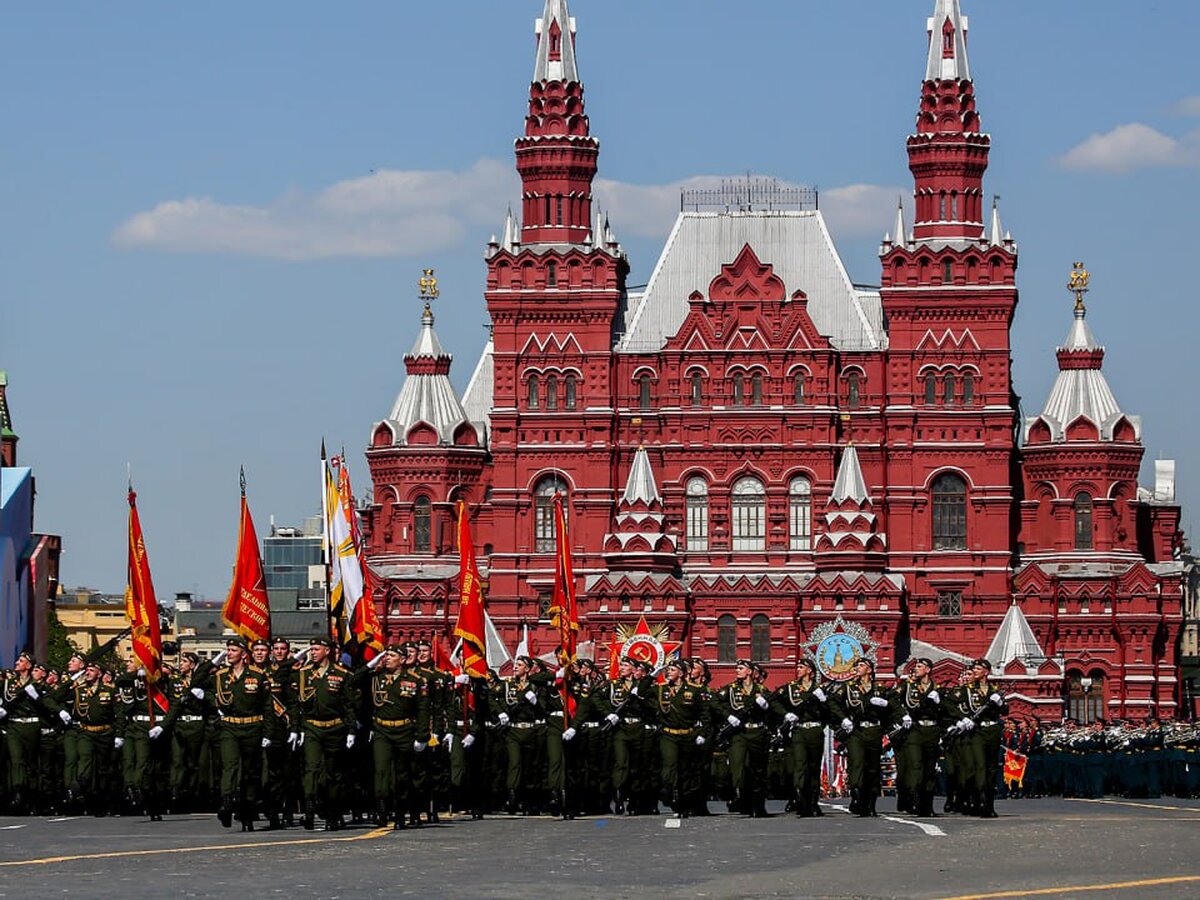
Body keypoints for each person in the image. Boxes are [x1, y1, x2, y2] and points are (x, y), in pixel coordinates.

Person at [356, 642, 430, 829]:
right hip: (382, 730)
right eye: (386, 655)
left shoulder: (414, 681)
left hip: (404, 730)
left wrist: (422, 736)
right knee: (381, 770)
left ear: (403, 660)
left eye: (392, 655)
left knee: (402, 774)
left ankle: (399, 813)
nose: (387, 658)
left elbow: (422, 710)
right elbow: (353, 681)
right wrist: (371, 664)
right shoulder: (375, 678)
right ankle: (381, 806)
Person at [291, 635, 355, 831]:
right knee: (311, 768)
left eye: (316, 649)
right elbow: (295, 702)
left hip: (335, 727)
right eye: (311, 649)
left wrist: (351, 730)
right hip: (312, 727)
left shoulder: (343, 674)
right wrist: (297, 728)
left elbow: (349, 705)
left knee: (333, 774)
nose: (313, 652)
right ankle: (310, 804)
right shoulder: (303, 674)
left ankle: (333, 813)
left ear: (327, 651)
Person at [212, 637, 270, 831]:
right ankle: (227, 803)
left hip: (252, 727)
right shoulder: (220, 675)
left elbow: (267, 706)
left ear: (244, 655)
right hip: (229, 727)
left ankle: (247, 811)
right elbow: (199, 680)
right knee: (229, 765)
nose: (229, 653)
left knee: (250, 771)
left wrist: (267, 733)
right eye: (227, 650)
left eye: (233, 650)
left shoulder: (258, 675)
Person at [830, 657, 893, 817]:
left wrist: (886, 706)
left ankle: (870, 804)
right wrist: (843, 719)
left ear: (870, 670)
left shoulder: (879, 689)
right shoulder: (848, 688)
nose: (857, 668)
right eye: (856, 665)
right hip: (856, 731)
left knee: (872, 768)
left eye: (861, 665)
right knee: (856, 763)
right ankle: (856, 796)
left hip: (874, 731)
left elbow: (893, 710)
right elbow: (832, 703)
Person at [770, 657, 830, 817]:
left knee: (814, 766)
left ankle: (813, 802)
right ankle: (800, 798)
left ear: (809, 670)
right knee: (800, 764)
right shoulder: (790, 688)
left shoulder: (819, 689)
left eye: (801, 667)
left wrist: (823, 701)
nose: (798, 669)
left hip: (816, 730)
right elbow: (773, 701)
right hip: (799, 730)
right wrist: (786, 714)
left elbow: (829, 713)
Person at [948, 657, 1008, 817]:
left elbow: (1005, 711)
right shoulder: (966, 690)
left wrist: (1000, 703)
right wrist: (962, 717)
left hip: (993, 731)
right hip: (977, 732)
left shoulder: (993, 690)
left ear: (986, 672)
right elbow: (948, 704)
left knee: (991, 768)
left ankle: (989, 804)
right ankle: (980, 801)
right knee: (980, 766)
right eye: (973, 668)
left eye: (978, 669)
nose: (974, 671)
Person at [712, 659, 772, 817]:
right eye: (737, 668)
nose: (737, 671)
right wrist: (729, 716)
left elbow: (773, 710)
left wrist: (765, 706)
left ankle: (758, 805)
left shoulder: (761, 689)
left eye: (741, 668)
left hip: (757, 732)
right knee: (738, 768)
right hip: (739, 733)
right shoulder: (731, 689)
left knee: (758, 770)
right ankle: (742, 798)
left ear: (750, 672)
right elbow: (715, 702)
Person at [652, 656, 707, 816]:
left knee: (686, 771)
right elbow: (641, 692)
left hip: (688, 735)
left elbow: (704, 715)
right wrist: (652, 676)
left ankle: (683, 803)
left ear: (682, 673)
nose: (669, 672)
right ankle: (669, 793)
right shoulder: (661, 688)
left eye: (673, 670)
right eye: (668, 670)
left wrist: (702, 734)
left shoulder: (693, 690)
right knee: (669, 768)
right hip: (668, 735)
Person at [892, 657, 947, 817]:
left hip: (932, 730)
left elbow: (947, 710)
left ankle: (927, 806)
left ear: (928, 669)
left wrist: (939, 703)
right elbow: (893, 701)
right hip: (915, 730)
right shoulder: (907, 686)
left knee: (930, 769)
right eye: (915, 666)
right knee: (916, 766)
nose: (916, 669)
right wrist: (903, 716)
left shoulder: (937, 688)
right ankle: (914, 801)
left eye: (920, 666)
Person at [492, 655, 544, 815]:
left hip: (530, 730)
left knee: (530, 767)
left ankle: (529, 802)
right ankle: (512, 798)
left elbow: (544, 710)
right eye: (515, 664)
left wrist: (536, 702)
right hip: (513, 731)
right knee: (515, 764)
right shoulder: (507, 685)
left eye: (519, 665)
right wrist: (501, 712)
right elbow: (492, 698)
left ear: (527, 669)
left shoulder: (535, 687)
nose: (515, 667)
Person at [0, 652, 45, 814]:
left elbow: (45, 705)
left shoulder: (37, 684)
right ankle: (18, 791)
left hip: (32, 725)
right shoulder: (8, 684)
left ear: (29, 665)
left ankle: (32, 796)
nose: (17, 663)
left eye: (21, 661)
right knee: (16, 759)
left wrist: (37, 697)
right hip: (14, 725)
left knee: (31, 762)